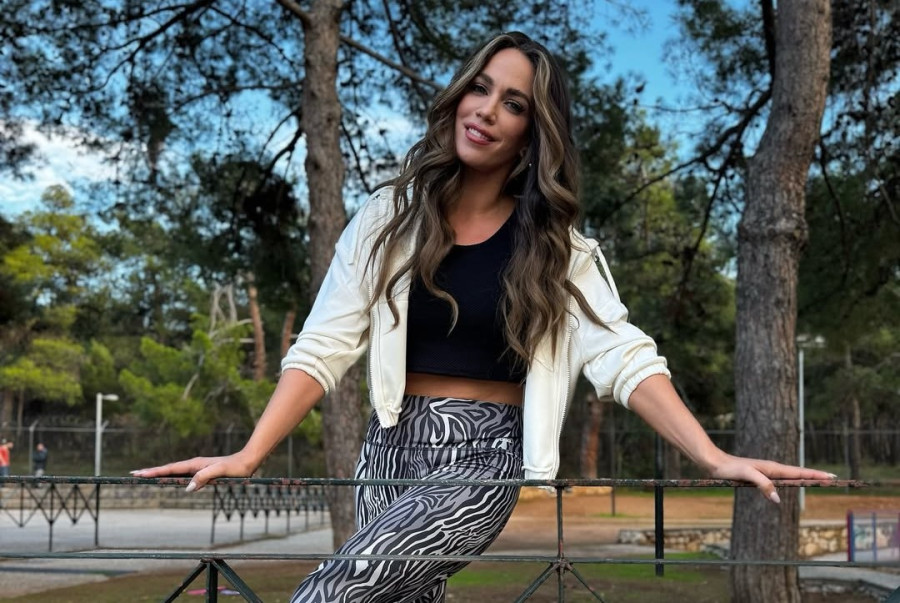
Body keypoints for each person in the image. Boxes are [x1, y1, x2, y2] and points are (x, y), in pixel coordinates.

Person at [133, 32, 835, 602]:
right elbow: (323, 344)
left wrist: (711, 454)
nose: (488, 110)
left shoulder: (557, 249)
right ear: (459, 95)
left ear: (532, 134)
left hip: (481, 457)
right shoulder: (387, 218)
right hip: (388, 448)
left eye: (514, 103)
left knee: (338, 589)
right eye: (481, 87)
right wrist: (250, 452)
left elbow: (623, 355)